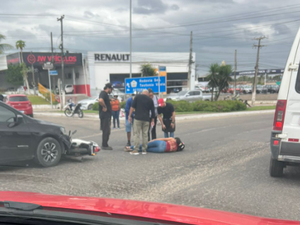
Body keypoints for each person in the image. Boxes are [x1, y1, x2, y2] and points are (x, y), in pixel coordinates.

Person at [128, 90, 155, 155]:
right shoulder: (150, 100)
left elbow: (132, 107)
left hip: (138, 118)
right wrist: (152, 120)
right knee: (145, 135)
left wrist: (129, 116)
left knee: (136, 134)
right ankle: (144, 150)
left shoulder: (137, 97)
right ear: (147, 94)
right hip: (146, 119)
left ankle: (136, 149)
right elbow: (153, 111)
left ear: (142, 93)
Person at [99, 83, 113, 150]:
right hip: (105, 116)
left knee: (107, 130)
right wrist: (104, 106)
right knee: (106, 130)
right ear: (108, 88)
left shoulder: (105, 95)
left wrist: (109, 100)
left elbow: (103, 100)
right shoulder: (103, 93)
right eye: (111, 89)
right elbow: (100, 100)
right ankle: (104, 145)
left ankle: (105, 144)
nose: (111, 91)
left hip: (107, 116)